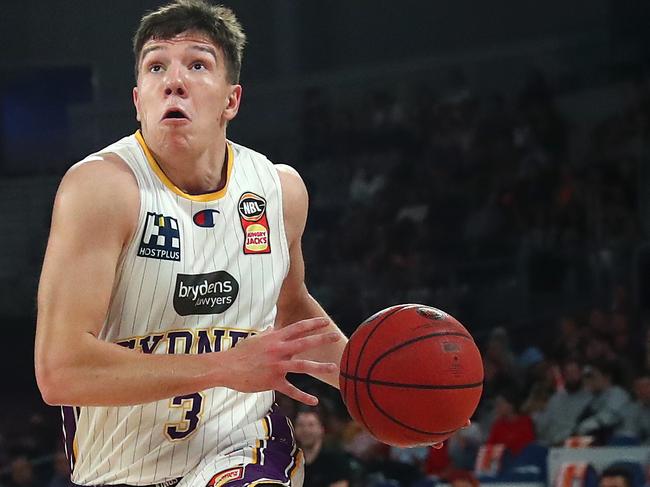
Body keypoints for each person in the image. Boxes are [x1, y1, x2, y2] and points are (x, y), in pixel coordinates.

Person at [34, 1, 349, 486]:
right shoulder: (101, 190)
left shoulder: (278, 191)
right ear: (139, 100)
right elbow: (60, 370)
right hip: (116, 470)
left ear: (231, 100)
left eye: (198, 65)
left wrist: (373, 387)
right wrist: (223, 366)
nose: (174, 80)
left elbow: (290, 310)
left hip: (242, 449)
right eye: (156, 65)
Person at [293, 408, 359, 487]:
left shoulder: (335, 458)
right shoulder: (290, 460)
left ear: (321, 429)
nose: (305, 430)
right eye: (301, 425)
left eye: (311, 425)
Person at [534, 358, 593, 446]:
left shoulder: (591, 398)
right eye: (568, 373)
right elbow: (543, 426)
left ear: (581, 374)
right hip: (553, 444)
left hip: (578, 443)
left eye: (574, 372)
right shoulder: (556, 398)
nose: (571, 377)